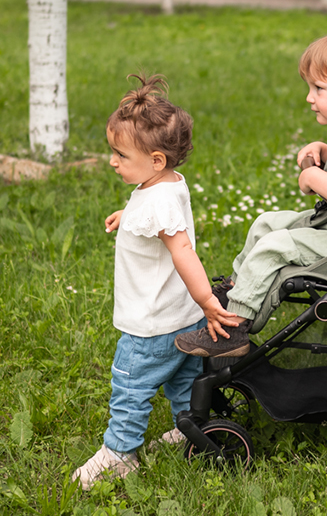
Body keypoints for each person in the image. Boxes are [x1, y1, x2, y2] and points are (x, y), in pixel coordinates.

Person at [174, 30, 327, 358]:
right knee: (266, 224)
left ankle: (234, 330)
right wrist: (326, 152)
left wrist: (314, 175)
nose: (310, 97)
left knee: (275, 247)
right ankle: (232, 296)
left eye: (319, 88)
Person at [73, 75, 238, 490]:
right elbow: (160, 218)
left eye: (120, 155)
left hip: (150, 324)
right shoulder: (164, 185)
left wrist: (207, 300)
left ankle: (119, 453)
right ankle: (192, 427)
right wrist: (127, 217)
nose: (113, 161)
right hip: (179, 318)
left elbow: (182, 249)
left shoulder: (158, 197)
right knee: (182, 377)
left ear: (157, 160)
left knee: (131, 386)